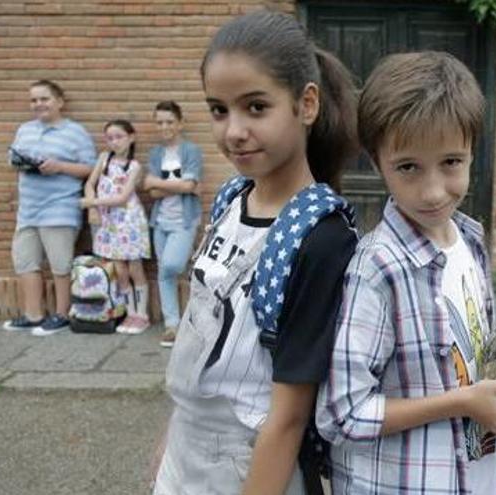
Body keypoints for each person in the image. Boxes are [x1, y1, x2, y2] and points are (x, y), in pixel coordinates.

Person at [316, 51, 496, 495]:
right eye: (408, 166)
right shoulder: (377, 268)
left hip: (477, 477)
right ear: (375, 162)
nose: (432, 192)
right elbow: (342, 413)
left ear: (472, 152)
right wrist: (464, 402)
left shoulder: (471, 241)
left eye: (451, 162)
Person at [151, 11, 359, 495]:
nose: (233, 131)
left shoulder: (323, 237)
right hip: (187, 453)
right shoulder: (229, 199)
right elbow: (203, 330)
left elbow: (288, 416)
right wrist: (173, 438)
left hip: (253, 465)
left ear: (306, 104)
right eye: (219, 110)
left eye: (256, 107)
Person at [3, 80, 97, 336]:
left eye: (44, 99)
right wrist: (22, 163)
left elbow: (91, 169)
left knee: (60, 264)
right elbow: (13, 159)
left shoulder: (75, 132)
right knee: (25, 262)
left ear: (59, 102)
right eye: (34, 100)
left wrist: (60, 167)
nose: (38, 104)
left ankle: (62, 314)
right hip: (28, 209)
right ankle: (33, 315)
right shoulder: (25, 130)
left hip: (60, 207)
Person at [141, 101, 204, 347]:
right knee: (164, 273)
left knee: (172, 265)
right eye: (159, 122)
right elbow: (151, 191)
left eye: (169, 121)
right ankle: (172, 325)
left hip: (184, 221)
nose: (164, 126)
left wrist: (158, 183)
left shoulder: (191, 151)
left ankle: (192, 321)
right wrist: (180, 186)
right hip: (160, 221)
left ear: (180, 123)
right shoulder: (156, 154)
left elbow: (191, 186)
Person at [80, 119, 152, 334]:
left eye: (119, 137)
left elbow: (122, 197)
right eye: (110, 138)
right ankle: (130, 313)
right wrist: (92, 205)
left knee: (134, 267)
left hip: (129, 221)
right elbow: (90, 184)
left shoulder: (135, 166)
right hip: (108, 222)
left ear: (131, 137)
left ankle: (142, 314)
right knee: (119, 269)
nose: (114, 142)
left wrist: (93, 203)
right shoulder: (104, 159)